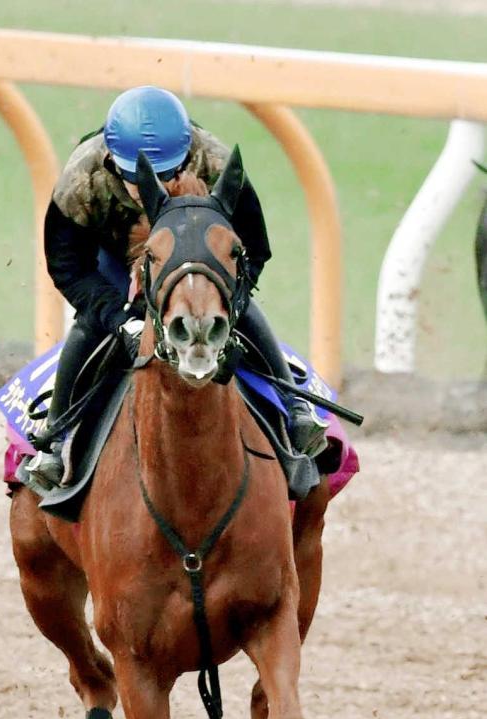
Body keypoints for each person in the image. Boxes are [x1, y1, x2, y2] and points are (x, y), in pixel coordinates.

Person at [28, 86, 328, 487]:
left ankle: (296, 412)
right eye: (137, 179)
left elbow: (254, 247)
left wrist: (229, 300)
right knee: (88, 329)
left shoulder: (217, 164)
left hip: (198, 263)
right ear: (113, 164)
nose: (153, 186)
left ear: (187, 157)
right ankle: (55, 441)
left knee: (245, 315)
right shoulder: (82, 179)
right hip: (116, 266)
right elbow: (67, 266)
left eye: (168, 174)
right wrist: (119, 316)